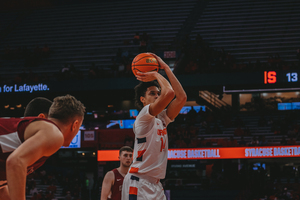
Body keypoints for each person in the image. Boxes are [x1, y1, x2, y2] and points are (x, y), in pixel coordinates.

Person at [121, 53, 186, 200]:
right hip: (139, 182)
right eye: (152, 93)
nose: (157, 96)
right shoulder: (144, 116)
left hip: (156, 184)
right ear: (143, 99)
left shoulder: (162, 118)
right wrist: (157, 74)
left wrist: (166, 68)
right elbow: (169, 93)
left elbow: (181, 98)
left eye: (158, 93)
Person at [0, 94, 85, 200]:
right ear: (75, 124)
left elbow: (2, 189)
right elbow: (14, 161)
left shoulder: (44, 137)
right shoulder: (53, 133)